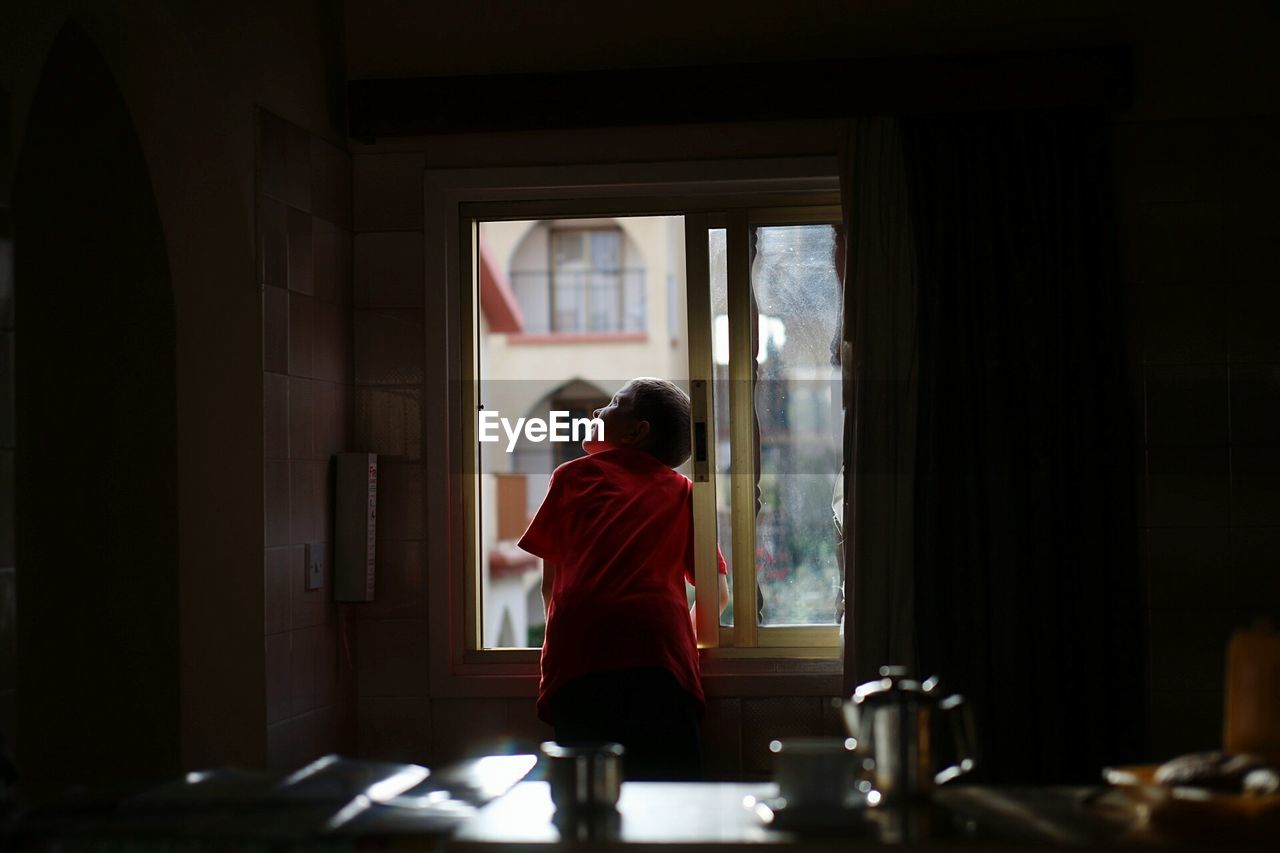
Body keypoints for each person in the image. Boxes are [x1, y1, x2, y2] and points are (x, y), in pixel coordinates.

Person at [518, 377, 730, 781]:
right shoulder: (684, 492)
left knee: (588, 801)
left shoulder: (570, 478)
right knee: (672, 796)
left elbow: (551, 585)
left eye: (616, 403)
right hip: (660, 662)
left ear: (638, 432)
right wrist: (675, 638)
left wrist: (570, 637)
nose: (598, 410)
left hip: (582, 660)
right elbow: (717, 594)